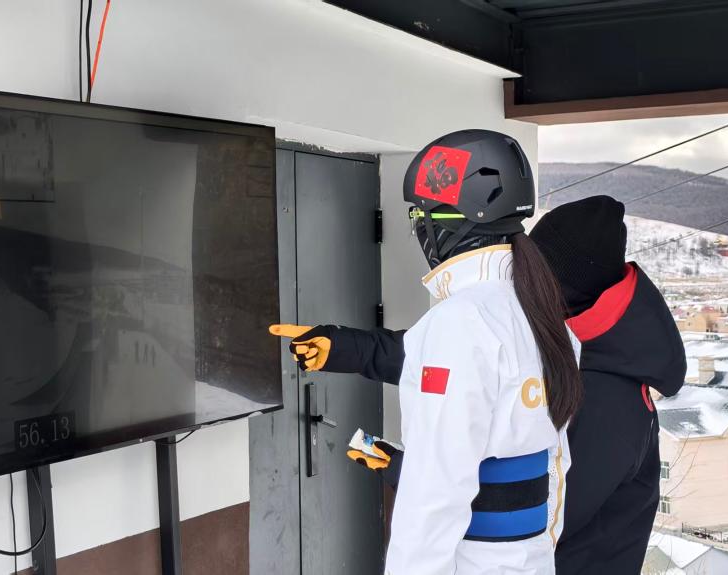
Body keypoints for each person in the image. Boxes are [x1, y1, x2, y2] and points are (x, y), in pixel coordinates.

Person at [272, 195, 686, 574]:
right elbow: (466, 363)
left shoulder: (613, 402)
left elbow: (543, 506)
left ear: (561, 286)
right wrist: (346, 348)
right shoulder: (557, 336)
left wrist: (413, 472)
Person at [289, 129, 584, 574]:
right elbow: (557, 465)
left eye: (418, 214)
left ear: (446, 223)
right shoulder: (542, 313)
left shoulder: (460, 321)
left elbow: (433, 493)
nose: (417, 229)